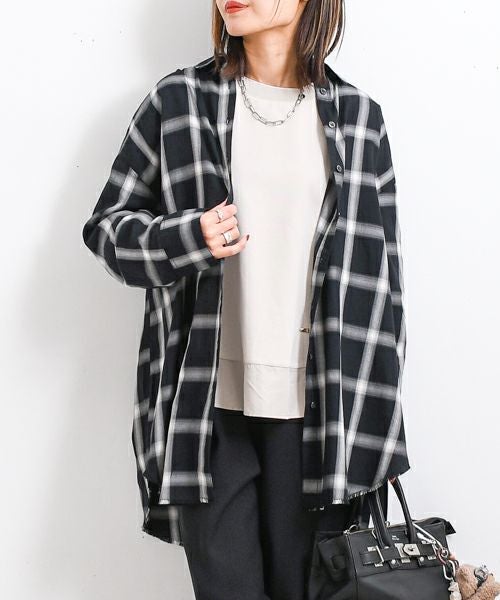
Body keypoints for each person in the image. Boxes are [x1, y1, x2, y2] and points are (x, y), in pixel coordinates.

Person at [82, 0, 411, 598]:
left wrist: (377, 431)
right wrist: (187, 237)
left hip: (321, 409)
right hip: (206, 405)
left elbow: (384, 286)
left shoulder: (361, 119)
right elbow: (106, 229)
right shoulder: (178, 101)